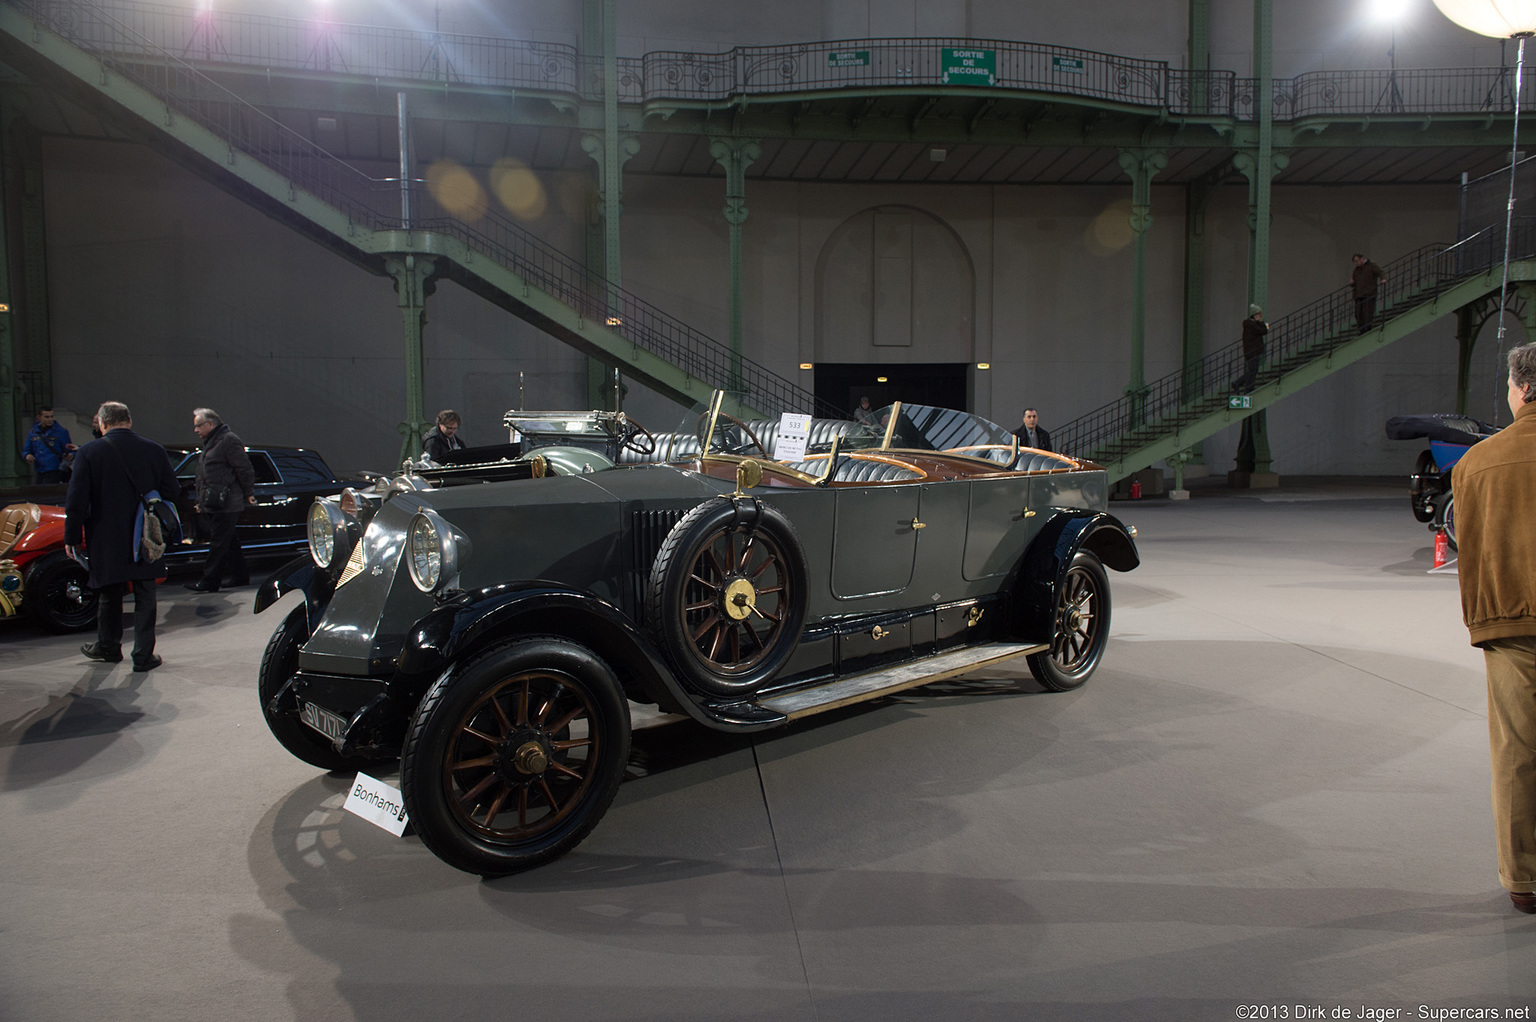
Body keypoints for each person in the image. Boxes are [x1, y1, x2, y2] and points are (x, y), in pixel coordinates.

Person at [1453, 341, 1536, 916]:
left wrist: (1484, 622)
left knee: (1517, 752)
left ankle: (1525, 879)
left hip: (1509, 626)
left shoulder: (1475, 464)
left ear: (1523, 388)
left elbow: (1472, 553)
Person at [65, 400, 178, 672]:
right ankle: (143, 656)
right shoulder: (154, 449)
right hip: (145, 534)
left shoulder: (90, 452)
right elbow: (172, 491)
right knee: (145, 593)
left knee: (109, 593)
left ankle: (109, 647)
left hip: (106, 534)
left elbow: (77, 499)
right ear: (129, 420)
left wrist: (71, 537)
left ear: (103, 423)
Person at [186, 407, 255, 593]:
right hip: (215, 500)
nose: (196, 430)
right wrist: (200, 501)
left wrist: (249, 492)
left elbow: (244, 468)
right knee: (229, 541)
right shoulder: (212, 442)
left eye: (198, 426)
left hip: (227, 501)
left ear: (210, 423)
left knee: (218, 543)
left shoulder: (228, 440)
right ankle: (240, 576)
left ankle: (210, 581)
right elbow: (205, 475)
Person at [22, 405, 76, 484]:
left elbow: (70, 449)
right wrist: (27, 455)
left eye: (51, 417)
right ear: (39, 417)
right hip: (39, 470)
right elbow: (26, 449)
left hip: (55, 470)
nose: (50, 419)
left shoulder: (61, 432)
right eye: (46, 417)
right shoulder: (33, 432)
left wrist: (71, 455)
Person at [1235, 305, 1268, 393]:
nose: (1261, 315)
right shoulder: (1252, 325)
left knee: (1252, 369)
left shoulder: (1249, 324)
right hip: (1253, 350)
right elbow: (1264, 331)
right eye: (1260, 313)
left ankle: (1245, 385)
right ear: (1256, 314)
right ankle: (1243, 385)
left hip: (1250, 350)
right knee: (1253, 370)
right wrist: (1261, 322)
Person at [1350, 253, 1386, 334]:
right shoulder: (1356, 270)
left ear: (1362, 259)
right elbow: (1354, 281)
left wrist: (1383, 278)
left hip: (1369, 293)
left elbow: (1380, 271)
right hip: (1358, 294)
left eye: (1357, 261)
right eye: (1355, 262)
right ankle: (1361, 329)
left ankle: (1367, 328)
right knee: (1358, 314)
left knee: (1367, 312)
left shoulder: (1371, 265)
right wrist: (1351, 283)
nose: (1356, 263)